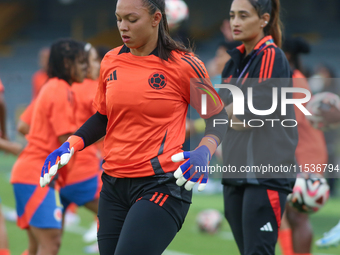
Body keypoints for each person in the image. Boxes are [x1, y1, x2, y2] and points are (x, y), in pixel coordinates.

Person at [39, 0, 228, 254]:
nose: (122, 27)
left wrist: (204, 151)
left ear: (156, 18)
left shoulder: (185, 65)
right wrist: (70, 145)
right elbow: (104, 116)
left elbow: (217, 117)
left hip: (162, 184)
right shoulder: (110, 61)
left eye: (131, 19)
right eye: (118, 19)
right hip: (113, 187)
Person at [219, 0, 298, 254]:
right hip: (235, 172)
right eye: (232, 16)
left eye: (243, 15)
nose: (235, 22)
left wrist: (224, 116)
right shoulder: (234, 61)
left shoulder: (270, 55)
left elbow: (252, 115)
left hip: (265, 174)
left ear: (264, 19)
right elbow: (227, 114)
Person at [10, 38, 87, 255]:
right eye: (81, 62)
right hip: (37, 175)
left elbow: (24, 125)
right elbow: (67, 139)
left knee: (37, 246)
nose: (85, 67)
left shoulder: (52, 86)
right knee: (50, 244)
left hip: (34, 173)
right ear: (67, 64)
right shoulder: (61, 90)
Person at [278, 36, 328, 255]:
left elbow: (290, 123)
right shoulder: (293, 78)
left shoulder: (294, 80)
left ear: (286, 54)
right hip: (302, 153)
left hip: (304, 156)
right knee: (288, 213)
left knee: (296, 214)